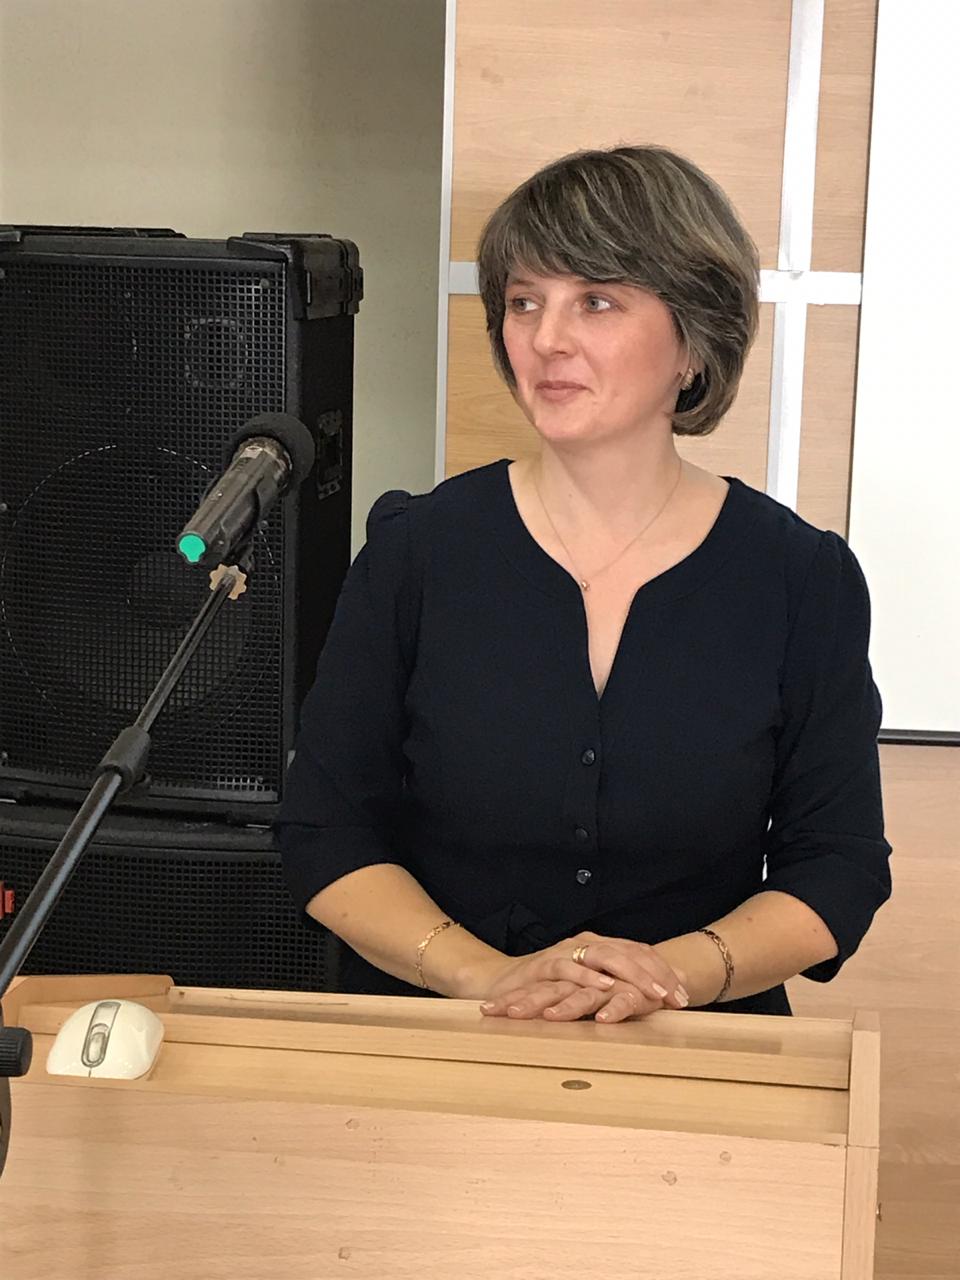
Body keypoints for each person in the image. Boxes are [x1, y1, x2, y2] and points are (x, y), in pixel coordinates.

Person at [274, 144, 892, 1023]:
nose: (546, 339)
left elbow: (838, 863)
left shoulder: (801, 577)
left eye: (596, 301)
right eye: (524, 302)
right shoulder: (416, 554)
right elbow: (326, 831)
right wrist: (487, 978)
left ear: (694, 340)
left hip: (694, 1040)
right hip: (450, 1031)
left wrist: (668, 976)